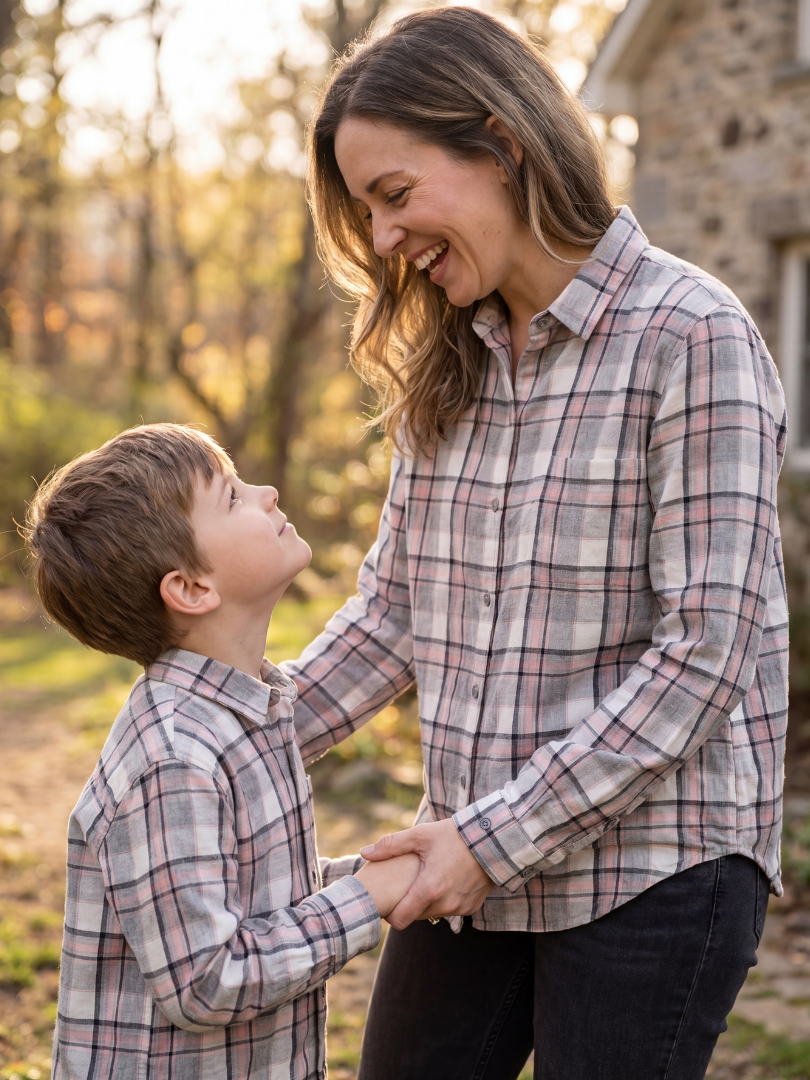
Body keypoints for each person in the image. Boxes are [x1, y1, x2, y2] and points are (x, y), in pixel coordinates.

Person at [284, 7, 789, 1079]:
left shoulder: (692, 337)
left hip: (657, 866)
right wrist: (223, 737)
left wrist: (489, 840)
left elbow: (703, 655)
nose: (382, 241)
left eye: (394, 195)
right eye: (365, 211)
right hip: (468, 852)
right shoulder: (450, 362)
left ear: (501, 145)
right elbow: (392, 616)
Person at [23, 423, 419, 1080]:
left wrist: (370, 876)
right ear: (191, 588)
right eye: (232, 497)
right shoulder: (173, 761)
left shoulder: (248, 715)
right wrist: (366, 899)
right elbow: (210, 979)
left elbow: (251, 904)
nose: (265, 493)